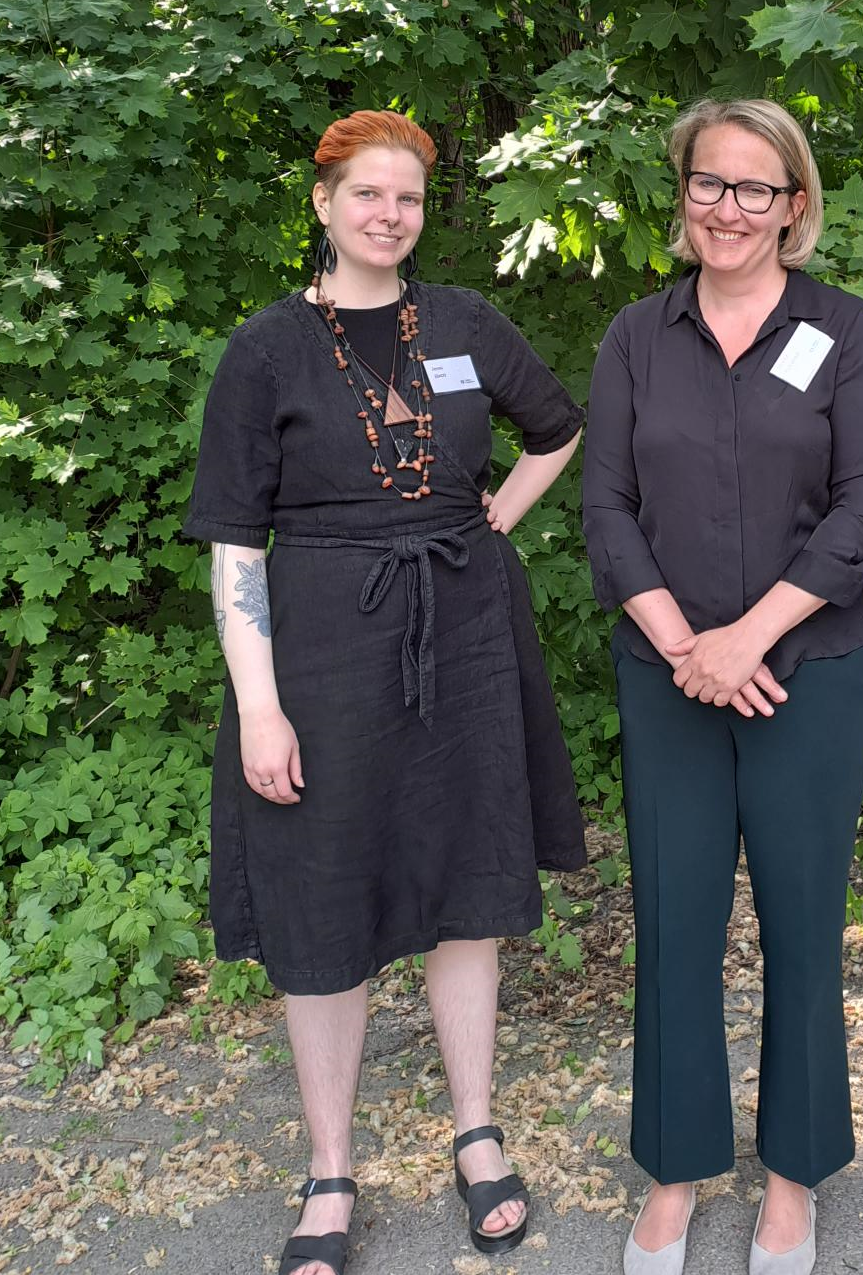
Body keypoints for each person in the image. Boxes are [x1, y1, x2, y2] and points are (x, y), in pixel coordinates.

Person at [183, 110, 587, 1275]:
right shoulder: (266, 349)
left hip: (463, 629)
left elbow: (555, 428)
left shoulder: (461, 321)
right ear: (323, 203)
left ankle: (476, 1132)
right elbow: (234, 547)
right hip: (319, 647)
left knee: (468, 884)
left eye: (407, 198)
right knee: (326, 900)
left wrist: (495, 517)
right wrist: (260, 705)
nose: (388, 215)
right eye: (366, 195)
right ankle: (330, 1167)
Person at [582, 98, 863, 1275]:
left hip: (806, 676)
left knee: (803, 927)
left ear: (795, 206)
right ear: (684, 199)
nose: (727, 208)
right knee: (672, 923)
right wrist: (686, 648)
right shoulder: (635, 335)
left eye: (754, 189)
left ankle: (791, 1182)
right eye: (708, 184)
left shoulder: (847, 332)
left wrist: (746, 642)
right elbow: (606, 509)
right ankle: (672, 1174)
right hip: (666, 676)